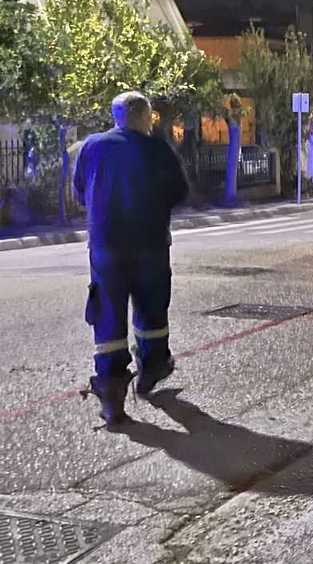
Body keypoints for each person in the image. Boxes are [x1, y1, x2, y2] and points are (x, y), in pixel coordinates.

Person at [75, 91, 189, 426]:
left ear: (116, 117)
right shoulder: (157, 148)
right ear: (145, 117)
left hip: (106, 248)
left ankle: (112, 397)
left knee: (108, 317)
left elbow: (80, 190)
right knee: (152, 310)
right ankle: (151, 369)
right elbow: (179, 192)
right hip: (150, 245)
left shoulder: (92, 147)